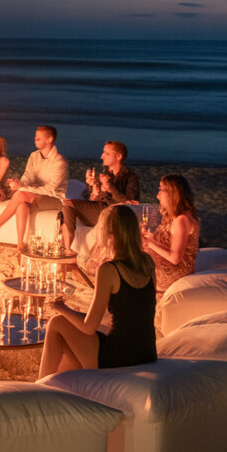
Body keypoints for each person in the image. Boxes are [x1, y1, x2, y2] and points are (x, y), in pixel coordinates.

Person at [38, 204, 157, 377]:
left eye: (100, 228)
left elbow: (88, 327)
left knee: (57, 323)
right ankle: (59, 386)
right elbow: (129, 305)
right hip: (146, 352)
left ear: (111, 235)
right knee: (70, 337)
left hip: (119, 357)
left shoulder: (109, 269)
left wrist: (60, 307)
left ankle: (39, 388)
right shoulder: (147, 263)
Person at [0, 126, 68, 254]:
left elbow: (51, 189)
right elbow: (28, 176)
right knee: (22, 203)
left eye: (38, 137)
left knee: (21, 195)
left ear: (49, 139)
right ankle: (20, 245)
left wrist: (23, 188)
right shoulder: (34, 156)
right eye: (35, 137)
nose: (35, 139)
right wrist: (19, 183)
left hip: (54, 198)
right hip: (37, 195)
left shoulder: (59, 161)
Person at [60, 140, 140, 251]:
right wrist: (94, 187)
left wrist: (110, 186)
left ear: (118, 156)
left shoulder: (130, 177)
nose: (102, 156)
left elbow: (130, 204)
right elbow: (92, 200)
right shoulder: (105, 175)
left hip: (115, 214)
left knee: (68, 204)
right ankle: (66, 248)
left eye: (107, 153)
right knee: (67, 204)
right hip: (100, 212)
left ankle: (66, 249)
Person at [142, 174, 200, 293]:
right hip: (170, 267)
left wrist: (150, 244)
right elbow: (171, 246)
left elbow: (175, 258)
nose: (157, 196)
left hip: (174, 273)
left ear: (172, 193)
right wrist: (151, 240)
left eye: (161, 189)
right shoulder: (174, 217)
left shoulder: (182, 220)